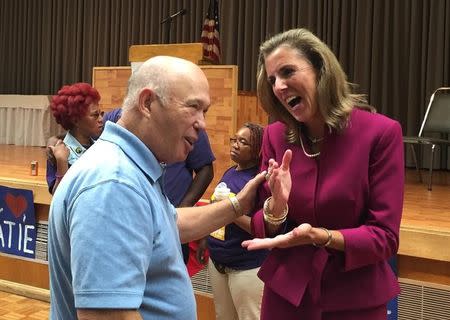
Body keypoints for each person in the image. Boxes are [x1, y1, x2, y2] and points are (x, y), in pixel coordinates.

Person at [47, 56, 273, 320]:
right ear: (147, 103)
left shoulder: (129, 168)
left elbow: (172, 222)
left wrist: (238, 205)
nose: (202, 123)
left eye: (205, 111)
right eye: (193, 107)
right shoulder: (115, 184)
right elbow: (107, 315)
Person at [241, 28, 404, 319]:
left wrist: (321, 236)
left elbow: (385, 237)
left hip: (355, 297)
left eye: (287, 72)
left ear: (320, 69)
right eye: (272, 80)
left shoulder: (380, 133)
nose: (279, 86)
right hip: (286, 294)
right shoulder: (275, 136)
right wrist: (275, 210)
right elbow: (261, 225)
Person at [103, 107, 216, 264]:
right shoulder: (119, 116)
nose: (201, 120)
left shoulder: (188, 125)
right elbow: (91, 134)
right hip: (128, 224)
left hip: (171, 223)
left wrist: (184, 207)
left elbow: (205, 169)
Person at [207, 122, 266, 320]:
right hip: (218, 262)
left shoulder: (259, 182)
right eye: (235, 139)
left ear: (257, 150)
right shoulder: (231, 172)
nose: (235, 145)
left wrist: (230, 209)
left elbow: (260, 229)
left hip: (246, 268)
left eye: (243, 142)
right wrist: (203, 241)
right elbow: (215, 212)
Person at [46, 82, 104, 194]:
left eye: (101, 113)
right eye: (95, 115)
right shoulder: (57, 152)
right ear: (76, 120)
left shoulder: (101, 146)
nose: (101, 119)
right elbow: (58, 197)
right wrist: (62, 163)